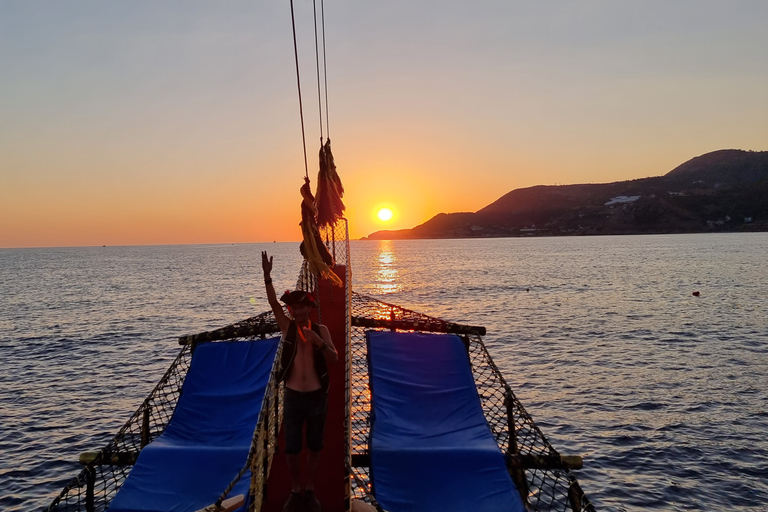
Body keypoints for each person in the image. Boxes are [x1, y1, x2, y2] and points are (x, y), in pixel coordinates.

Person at [262, 251, 338, 512]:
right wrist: (267, 277)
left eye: (300, 306)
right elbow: (273, 304)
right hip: (293, 396)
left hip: (317, 396)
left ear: (309, 308)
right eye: (292, 307)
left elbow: (335, 358)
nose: (296, 310)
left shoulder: (321, 331)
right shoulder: (288, 327)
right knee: (292, 448)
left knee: (315, 446)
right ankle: (296, 488)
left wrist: (319, 344)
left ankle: (311, 489)